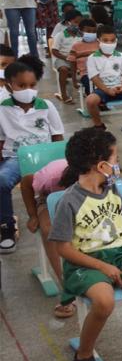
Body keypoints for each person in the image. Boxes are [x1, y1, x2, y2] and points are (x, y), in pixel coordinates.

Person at [49, 127, 122, 361]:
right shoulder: (69, 201)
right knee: (104, 301)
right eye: (116, 160)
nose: (119, 165)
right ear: (101, 166)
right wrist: (103, 267)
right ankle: (84, 353)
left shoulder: (113, 191)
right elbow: (63, 249)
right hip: (85, 263)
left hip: (121, 254)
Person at [0, 56, 64, 254]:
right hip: (16, 157)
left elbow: (58, 137)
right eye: (21, 85)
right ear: (9, 86)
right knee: (1, 180)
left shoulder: (47, 107)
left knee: (66, 178)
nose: (27, 89)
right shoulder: (2, 108)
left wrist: (60, 161)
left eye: (32, 85)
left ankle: (60, 217)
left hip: (45, 156)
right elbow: (1, 141)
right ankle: (7, 227)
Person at [19, 157, 75, 318]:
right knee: (49, 229)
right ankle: (66, 287)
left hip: (85, 198)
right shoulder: (52, 176)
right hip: (50, 198)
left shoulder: (101, 173)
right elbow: (26, 182)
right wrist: (32, 215)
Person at [84, 25, 122, 129]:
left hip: (121, 88)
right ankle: (98, 125)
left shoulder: (121, 56)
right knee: (90, 101)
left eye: (112, 40)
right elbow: (94, 78)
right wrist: (107, 90)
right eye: (105, 40)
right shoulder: (92, 58)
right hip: (103, 90)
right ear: (98, 41)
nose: (109, 43)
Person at [52, 10, 83, 104]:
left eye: (79, 22)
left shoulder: (81, 35)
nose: (78, 25)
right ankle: (64, 94)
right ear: (67, 22)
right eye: (75, 22)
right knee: (63, 69)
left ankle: (86, 89)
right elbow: (54, 51)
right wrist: (66, 58)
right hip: (62, 58)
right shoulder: (60, 35)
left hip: (77, 59)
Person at [68, 18, 100, 99]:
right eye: (88, 31)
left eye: (94, 32)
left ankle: (101, 100)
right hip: (85, 74)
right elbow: (72, 63)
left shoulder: (100, 44)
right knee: (90, 85)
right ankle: (94, 100)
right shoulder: (76, 46)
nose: (92, 33)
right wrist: (74, 80)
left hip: (101, 72)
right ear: (81, 31)